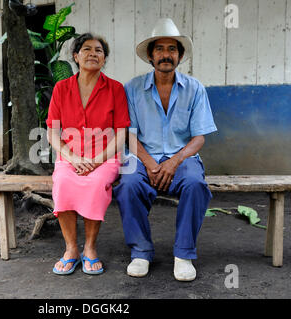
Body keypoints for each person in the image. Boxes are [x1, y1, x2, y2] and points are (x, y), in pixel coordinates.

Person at [113, 18, 218, 281]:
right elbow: (129, 134)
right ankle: (140, 252)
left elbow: (199, 138)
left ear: (180, 56)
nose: (165, 55)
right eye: (159, 49)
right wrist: (150, 163)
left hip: (182, 156)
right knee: (127, 184)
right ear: (150, 56)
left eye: (172, 49)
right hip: (141, 155)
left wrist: (174, 161)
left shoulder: (195, 89)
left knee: (195, 184)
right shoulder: (133, 88)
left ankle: (183, 254)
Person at [46, 33, 130, 275]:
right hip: (69, 156)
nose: (93, 53)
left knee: (95, 184)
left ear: (104, 59)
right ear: (76, 56)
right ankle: (71, 249)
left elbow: (122, 134)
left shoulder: (115, 88)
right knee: (62, 183)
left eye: (99, 50)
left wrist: (96, 161)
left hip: (105, 156)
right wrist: (71, 157)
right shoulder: (62, 88)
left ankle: (90, 248)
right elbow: (52, 133)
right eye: (86, 49)